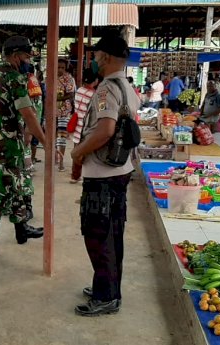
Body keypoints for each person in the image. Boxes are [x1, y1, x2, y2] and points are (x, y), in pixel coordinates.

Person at [71, 35, 140, 316]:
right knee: (113, 234)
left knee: (98, 236)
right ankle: (109, 287)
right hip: (121, 171)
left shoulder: (106, 90)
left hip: (102, 174)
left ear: (107, 58)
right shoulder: (128, 87)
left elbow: (105, 130)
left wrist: (77, 153)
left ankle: (106, 297)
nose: (93, 61)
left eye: (96, 56)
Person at [0, 36, 47, 263]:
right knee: (1, 192)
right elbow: (29, 114)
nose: (27, 61)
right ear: (15, 55)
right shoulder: (15, 78)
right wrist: (46, 142)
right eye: (26, 56)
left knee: (15, 184)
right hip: (9, 146)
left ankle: (22, 229)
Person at [71, 68, 100, 184]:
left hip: (77, 125)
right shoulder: (94, 95)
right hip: (87, 127)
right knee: (86, 153)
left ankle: (75, 176)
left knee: (76, 150)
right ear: (96, 80)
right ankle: (84, 176)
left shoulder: (79, 91)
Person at [56, 59, 76, 173]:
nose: (60, 70)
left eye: (62, 67)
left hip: (64, 111)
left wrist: (58, 98)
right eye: (58, 67)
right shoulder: (50, 76)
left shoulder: (69, 78)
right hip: (52, 111)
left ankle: (61, 162)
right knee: (52, 137)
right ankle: (55, 159)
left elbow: (71, 94)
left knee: (61, 138)